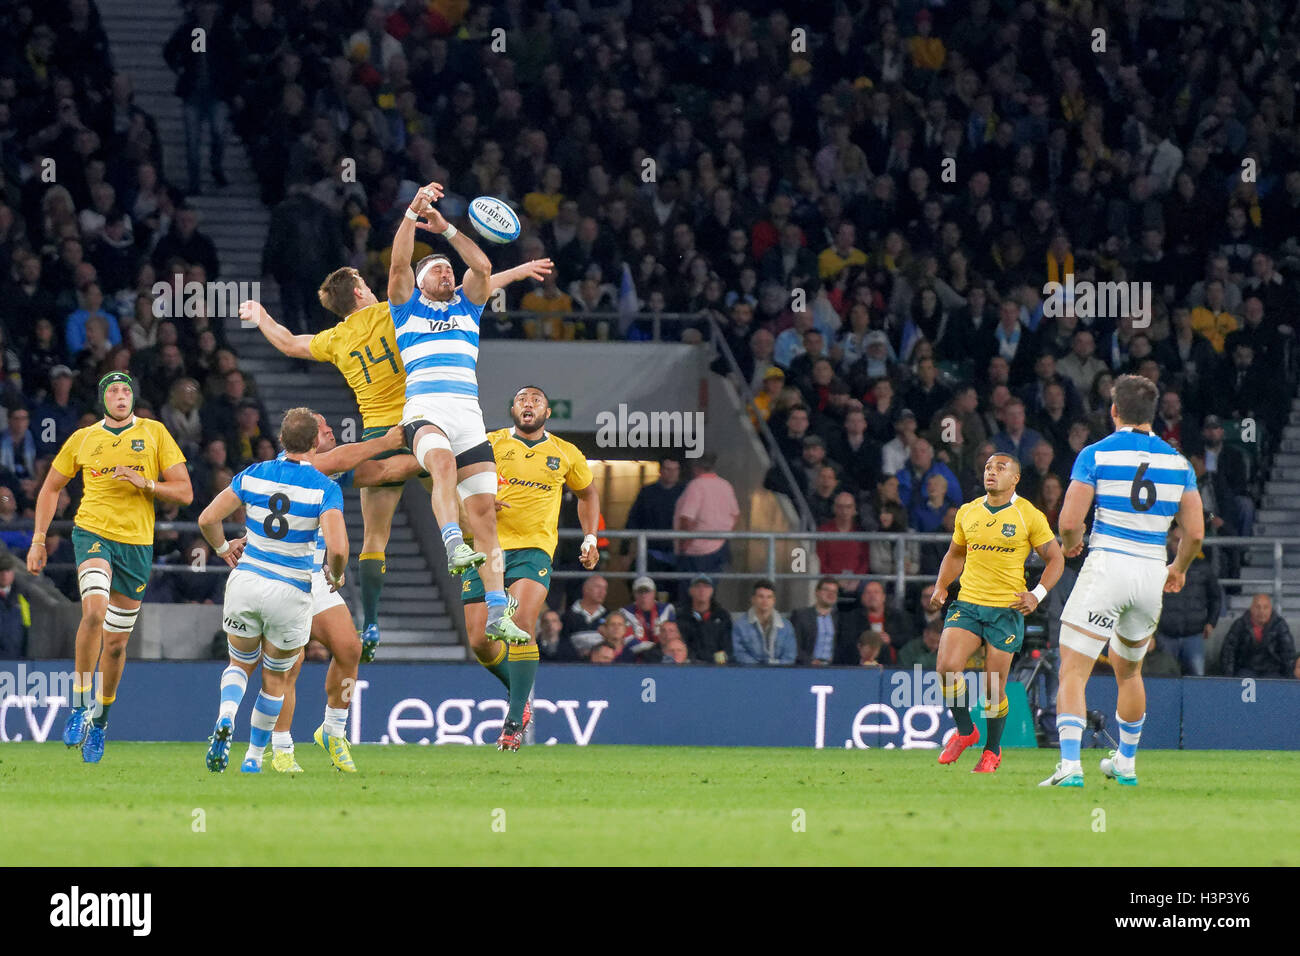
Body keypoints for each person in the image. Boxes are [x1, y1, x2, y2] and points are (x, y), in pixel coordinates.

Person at [241, 256, 551, 661]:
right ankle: (494, 603)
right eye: (365, 285)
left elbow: (286, 341)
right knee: (471, 512)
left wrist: (260, 314)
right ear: (358, 291)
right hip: (423, 421)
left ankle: (370, 623)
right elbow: (471, 289)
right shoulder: (396, 309)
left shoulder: (335, 339)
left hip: (379, 435)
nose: (372, 287)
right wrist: (520, 270)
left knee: (375, 538)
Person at [386, 180, 528, 644]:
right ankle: (450, 541)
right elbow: (399, 262)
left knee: (485, 516)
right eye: (438, 271)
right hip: (425, 409)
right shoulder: (406, 308)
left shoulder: (469, 307)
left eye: (449, 270)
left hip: (469, 415)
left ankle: (495, 611)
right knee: (441, 464)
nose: (447, 274)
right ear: (422, 281)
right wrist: (413, 214)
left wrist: (447, 229)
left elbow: (483, 265)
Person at [27, 373, 193, 764]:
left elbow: (185, 492)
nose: (120, 396)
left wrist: (146, 483)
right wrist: (38, 538)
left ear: (133, 398)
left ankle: (100, 721)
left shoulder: (154, 433)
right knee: (93, 612)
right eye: (113, 391)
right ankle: (80, 705)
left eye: (126, 391)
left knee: (117, 646)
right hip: (93, 533)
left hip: (136, 546)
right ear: (103, 399)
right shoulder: (83, 438)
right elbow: (50, 488)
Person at [1047, 375, 1204, 787]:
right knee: (1129, 671)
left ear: (1114, 411)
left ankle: (1070, 766)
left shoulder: (1095, 455)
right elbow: (1197, 533)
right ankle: (1126, 763)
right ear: (1153, 415)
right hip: (1152, 572)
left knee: (1074, 669)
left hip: (1107, 566)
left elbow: (1067, 521)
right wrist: (1179, 568)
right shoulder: (1179, 463)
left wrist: (1070, 544)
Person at [197, 407, 346, 774]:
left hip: (246, 581)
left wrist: (221, 549)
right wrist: (336, 575)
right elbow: (339, 548)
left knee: (238, 663)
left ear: (281, 439)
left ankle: (226, 715)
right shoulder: (325, 488)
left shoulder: (253, 474)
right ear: (315, 443)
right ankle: (252, 758)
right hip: (291, 590)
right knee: (276, 677)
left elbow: (207, 518)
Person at [459, 386, 600, 751]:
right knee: (480, 642)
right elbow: (457, 486)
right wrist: (479, 503)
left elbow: (587, 493)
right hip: (488, 548)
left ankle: (512, 722)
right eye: (522, 399)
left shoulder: (565, 453)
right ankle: (519, 697)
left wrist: (590, 537)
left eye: (536, 400)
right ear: (512, 408)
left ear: (547, 412)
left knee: (520, 624)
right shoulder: (489, 444)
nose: (528, 404)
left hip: (534, 550)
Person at [264, 415, 408, 772]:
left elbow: (382, 472)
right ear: (311, 441)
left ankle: (333, 730)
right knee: (290, 664)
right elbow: (348, 457)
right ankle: (281, 747)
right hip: (280, 576)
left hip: (314, 577)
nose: (331, 431)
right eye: (324, 428)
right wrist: (388, 439)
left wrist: (443, 456)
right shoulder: (296, 464)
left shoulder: (327, 473)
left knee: (349, 648)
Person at [929, 452, 1064, 774]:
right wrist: (940, 586)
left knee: (993, 686)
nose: (991, 472)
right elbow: (955, 554)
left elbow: (1055, 559)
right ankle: (965, 732)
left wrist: (1037, 594)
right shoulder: (969, 511)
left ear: (1015, 478)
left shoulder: (1027, 515)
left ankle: (991, 750)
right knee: (946, 667)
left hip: (1006, 609)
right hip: (969, 603)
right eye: (988, 467)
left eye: (1000, 468)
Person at [1153, 525, 1221, 677]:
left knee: (1196, 681)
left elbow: (1215, 596)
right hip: (1166, 634)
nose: (1180, 545)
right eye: (1176, 540)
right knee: (1165, 679)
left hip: (1194, 635)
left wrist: (1211, 622)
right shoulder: (1159, 567)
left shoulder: (1203, 567)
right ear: (1170, 542)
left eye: (1184, 540)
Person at [672, 452, 740, 593]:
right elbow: (735, 515)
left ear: (696, 467)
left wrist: (684, 543)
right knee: (710, 591)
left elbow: (687, 518)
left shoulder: (696, 486)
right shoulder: (725, 485)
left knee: (691, 592)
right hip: (721, 546)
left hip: (697, 549)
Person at [624, 456, 684, 575]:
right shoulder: (647, 492)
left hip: (677, 551)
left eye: (675, 469)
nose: (672, 473)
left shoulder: (685, 492)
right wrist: (626, 551)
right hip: (651, 550)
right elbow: (633, 519)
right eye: (668, 469)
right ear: (660, 471)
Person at [1219, 594, 1297, 679]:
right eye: (1257, 607)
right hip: (1246, 670)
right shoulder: (1240, 624)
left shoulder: (1280, 625)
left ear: (1271, 609)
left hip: (1273, 671)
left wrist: (1289, 680)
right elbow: (1228, 651)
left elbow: (1288, 654)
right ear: (1251, 609)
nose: (1261, 611)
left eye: (1265, 607)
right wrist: (1228, 677)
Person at [731, 579, 796, 665]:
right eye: (761, 596)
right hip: (750, 673)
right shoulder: (740, 626)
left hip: (780, 673)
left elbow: (790, 656)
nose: (765, 601)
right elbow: (739, 654)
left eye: (769, 597)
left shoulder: (786, 627)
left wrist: (773, 666)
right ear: (753, 599)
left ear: (774, 601)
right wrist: (760, 669)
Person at [674, 574, 732, 664]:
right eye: (697, 586)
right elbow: (679, 644)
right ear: (690, 591)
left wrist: (717, 662)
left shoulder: (722, 616)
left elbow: (727, 646)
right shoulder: (681, 616)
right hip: (688, 666)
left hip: (716, 667)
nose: (702, 590)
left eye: (706, 586)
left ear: (712, 591)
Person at [791, 577, 844, 665]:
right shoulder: (801, 615)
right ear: (817, 592)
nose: (831, 594)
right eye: (826, 590)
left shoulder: (840, 618)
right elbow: (794, 646)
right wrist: (810, 661)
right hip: (807, 667)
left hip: (834, 669)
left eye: (834, 591)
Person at [621, 575, 676, 645]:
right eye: (640, 592)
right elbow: (627, 639)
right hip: (636, 652)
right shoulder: (625, 612)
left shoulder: (667, 610)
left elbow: (673, 634)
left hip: (663, 650)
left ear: (654, 593)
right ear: (634, 594)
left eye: (647, 591)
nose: (643, 595)